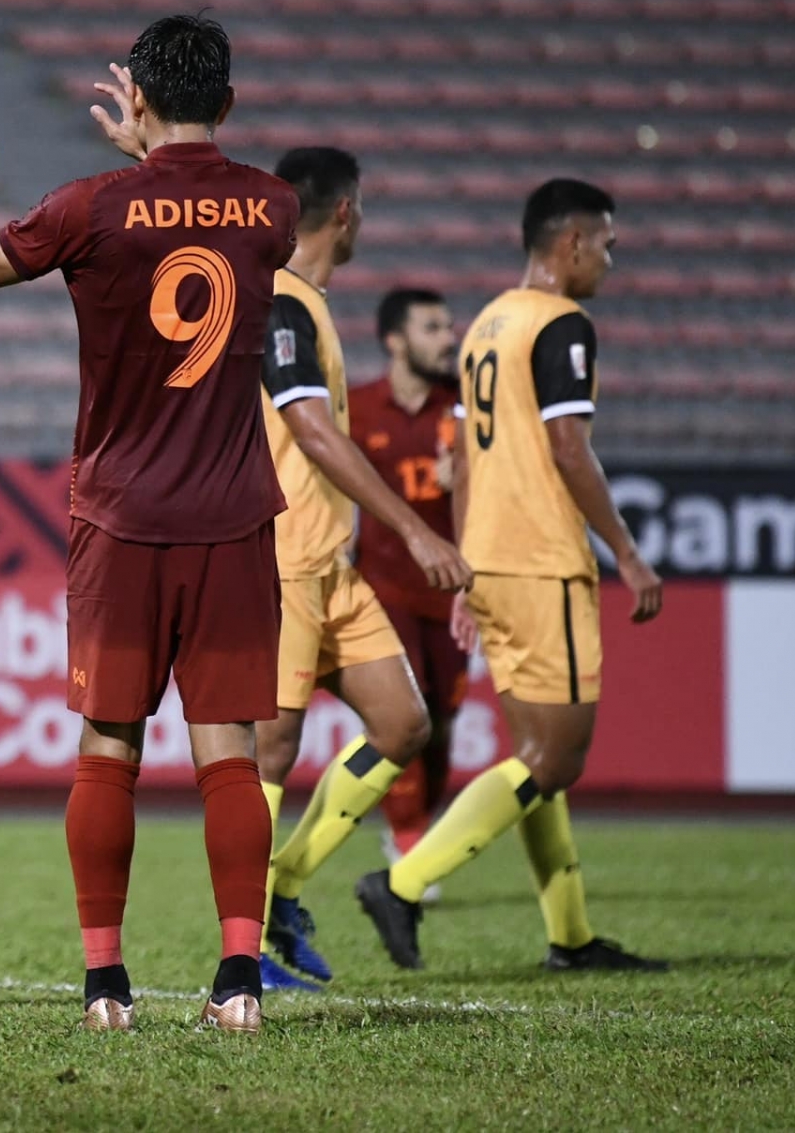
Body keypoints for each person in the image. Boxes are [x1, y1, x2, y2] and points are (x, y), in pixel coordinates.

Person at [0, 14, 300, 1034]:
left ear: (132, 97)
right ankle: (237, 982)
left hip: (121, 517)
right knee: (228, 751)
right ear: (227, 103)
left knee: (108, 748)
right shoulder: (272, 205)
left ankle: (106, 987)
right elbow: (201, 202)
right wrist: (160, 148)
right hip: (231, 517)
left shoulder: (87, 208)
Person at [356, 179, 667, 973]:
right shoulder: (563, 323)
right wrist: (625, 551)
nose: (609, 258)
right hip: (539, 561)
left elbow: (458, 462)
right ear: (570, 245)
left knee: (536, 750)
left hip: (490, 559)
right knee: (554, 758)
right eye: (605, 243)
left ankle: (569, 935)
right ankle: (403, 881)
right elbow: (570, 450)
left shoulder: (489, 322)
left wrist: (465, 568)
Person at [253, 148, 473, 994]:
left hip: (330, 567)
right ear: (345, 212)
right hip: (283, 561)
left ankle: (284, 886)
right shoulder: (280, 298)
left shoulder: (305, 302)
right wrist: (416, 531)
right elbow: (309, 426)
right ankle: (241, 953)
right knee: (272, 750)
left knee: (403, 726)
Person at [348, 290, 468, 889]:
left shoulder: (465, 409)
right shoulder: (357, 407)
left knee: (442, 722)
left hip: (452, 593)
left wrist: (475, 472)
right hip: (382, 586)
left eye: (447, 326)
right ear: (395, 340)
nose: (448, 337)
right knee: (406, 714)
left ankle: (417, 819)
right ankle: (408, 833)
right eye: (432, 327)